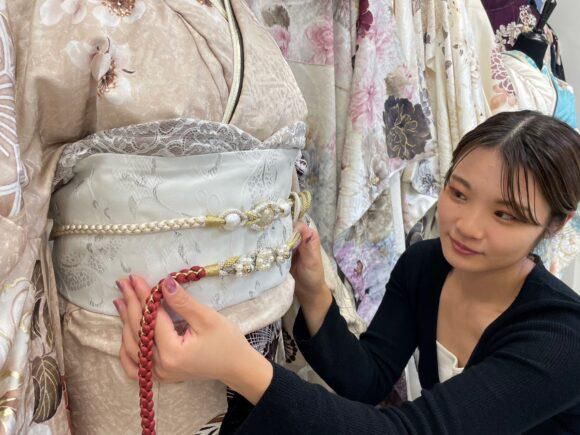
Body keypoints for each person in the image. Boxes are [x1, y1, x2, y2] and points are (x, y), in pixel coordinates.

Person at [118, 110, 580, 434]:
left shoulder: (562, 338)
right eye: (458, 193)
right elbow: (368, 380)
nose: (467, 226)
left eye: (505, 215)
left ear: (555, 224)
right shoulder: (426, 265)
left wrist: (237, 366)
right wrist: (314, 292)